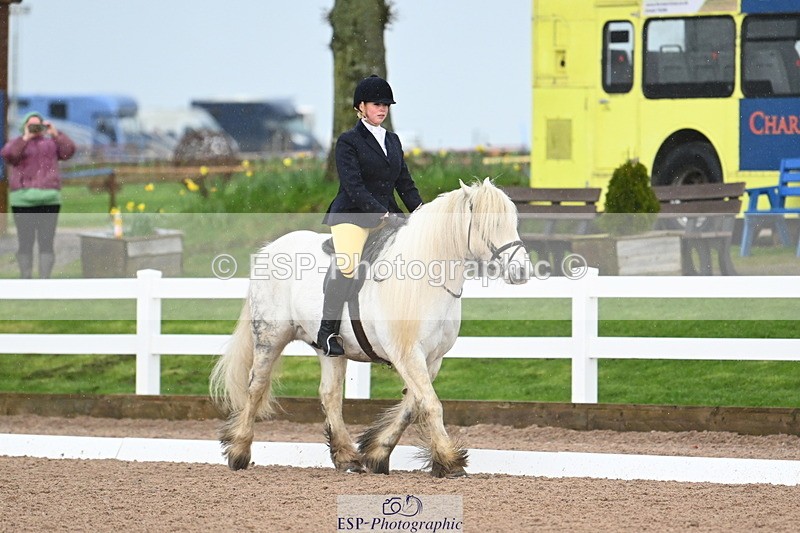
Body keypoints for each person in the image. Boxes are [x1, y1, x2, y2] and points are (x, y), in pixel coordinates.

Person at [317, 74, 424, 356]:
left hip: (388, 214)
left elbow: (405, 183)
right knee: (349, 264)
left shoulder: (393, 140)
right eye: (377, 104)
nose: (383, 109)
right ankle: (327, 331)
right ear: (360, 107)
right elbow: (354, 186)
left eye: (386, 105)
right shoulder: (348, 141)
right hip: (352, 215)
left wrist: (422, 214)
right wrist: (382, 213)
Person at [1, 112, 76, 278]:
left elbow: (69, 151)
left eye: (38, 125)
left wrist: (56, 134)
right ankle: (26, 279)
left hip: (49, 199)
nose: (35, 128)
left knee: (46, 242)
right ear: (24, 126)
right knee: (25, 242)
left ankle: (44, 281)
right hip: (23, 200)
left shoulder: (51, 144)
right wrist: (25, 137)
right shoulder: (18, 143)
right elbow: (8, 155)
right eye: (31, 125)